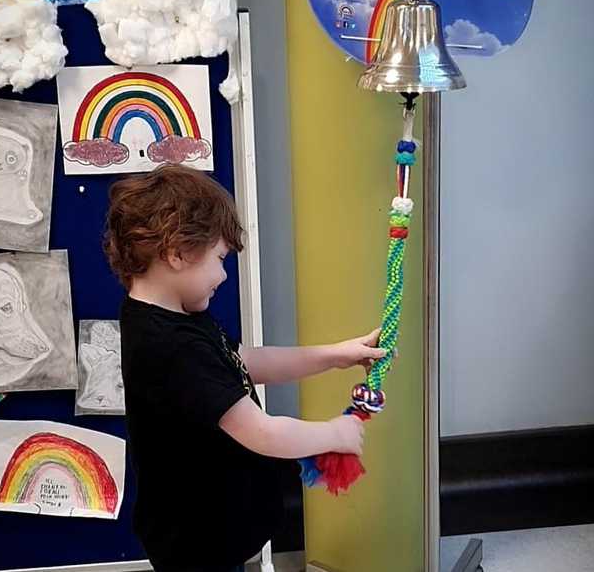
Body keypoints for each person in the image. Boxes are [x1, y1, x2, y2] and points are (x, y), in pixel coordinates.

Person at [104, 165, 385, 572]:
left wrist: (334, 355)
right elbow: (263, 432)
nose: (222, 275)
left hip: (214, 530)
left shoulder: (173, 316)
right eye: (220, 258)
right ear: (177, 252)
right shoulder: (169, 345)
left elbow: (242, 363)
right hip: (200, 544)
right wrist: (334, 434)